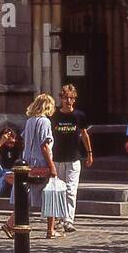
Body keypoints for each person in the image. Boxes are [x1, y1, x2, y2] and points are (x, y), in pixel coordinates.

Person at [8, 93, 59, 239]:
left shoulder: (30, 121)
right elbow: (44, 145)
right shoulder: (45, 122)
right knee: (51, 194)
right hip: (41, 162)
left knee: (26, 195)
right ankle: (50, 229)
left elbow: (25, 141)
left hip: (27, 162)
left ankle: (11, 223)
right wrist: (51, 166)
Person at [52, 84, 92, 233]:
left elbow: (84, 134)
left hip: (73, 157)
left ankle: (68, 220)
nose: (68, 101)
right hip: (58, 157)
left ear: (74, 100)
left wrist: (89, 153)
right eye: (66, 98)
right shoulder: (55, 115)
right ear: (61, 98)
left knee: (70, 189)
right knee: (58, 189)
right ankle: (58, 218)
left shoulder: (79, 116)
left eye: (71, 98)